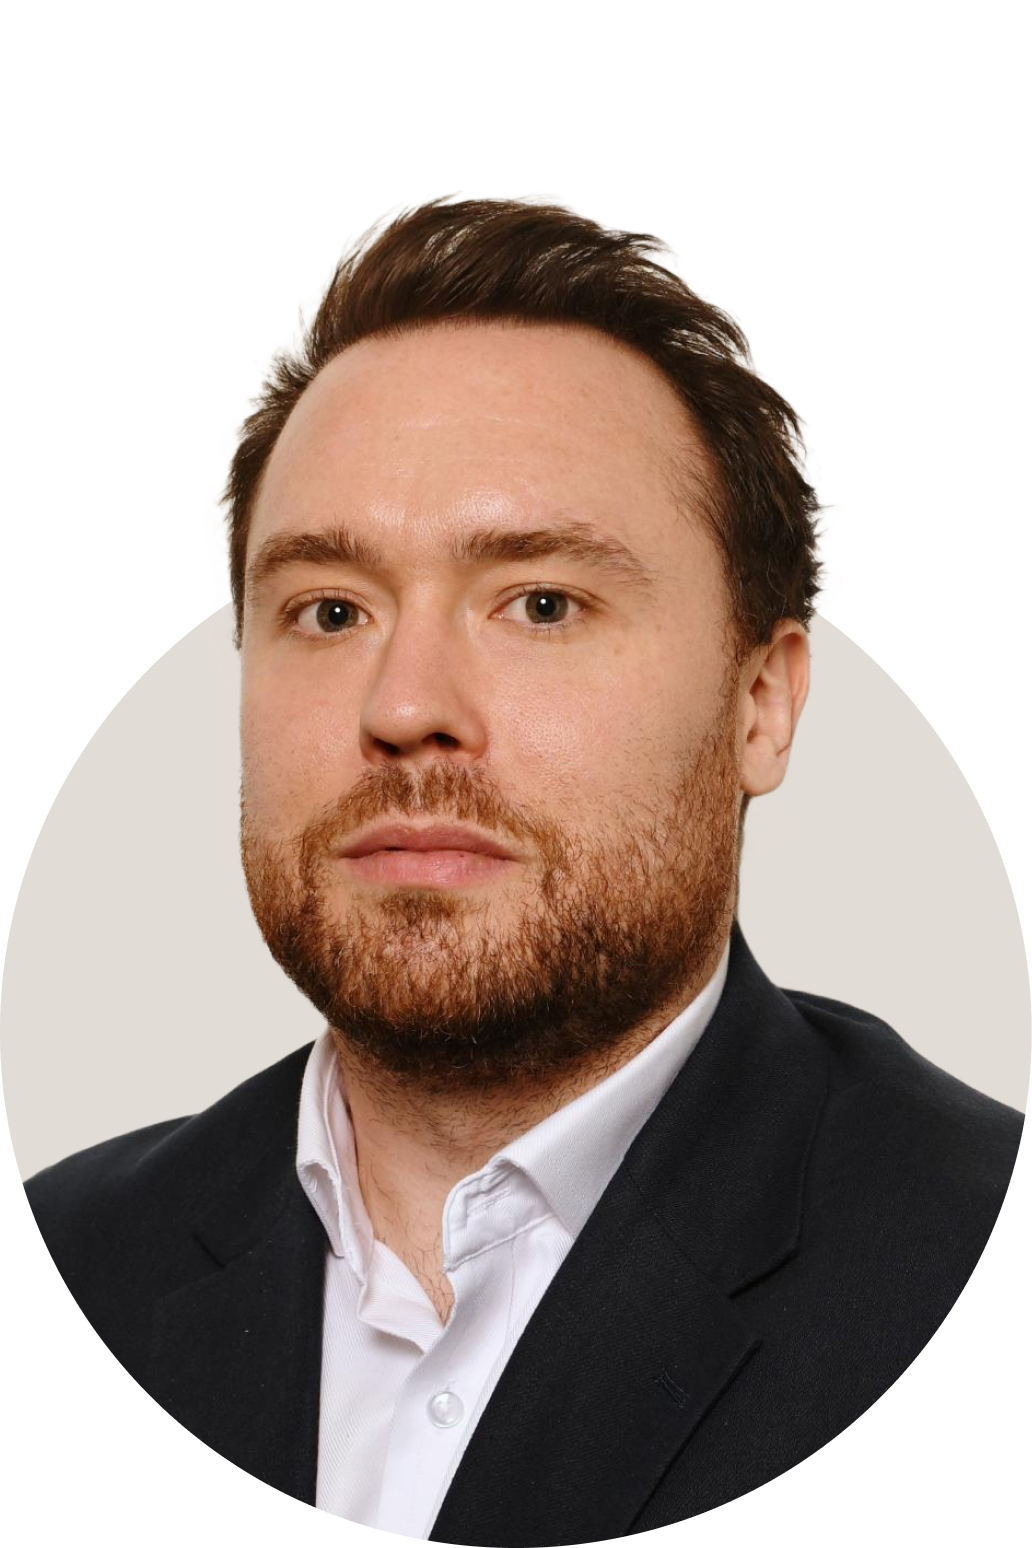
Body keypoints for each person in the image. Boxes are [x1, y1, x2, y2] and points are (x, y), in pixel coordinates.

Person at [23, 191, 1023, 1540]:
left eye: (542, 603)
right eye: (330, 609)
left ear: (762, 704)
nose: (403, 705)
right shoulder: (78, 1249)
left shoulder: (953, 1247)